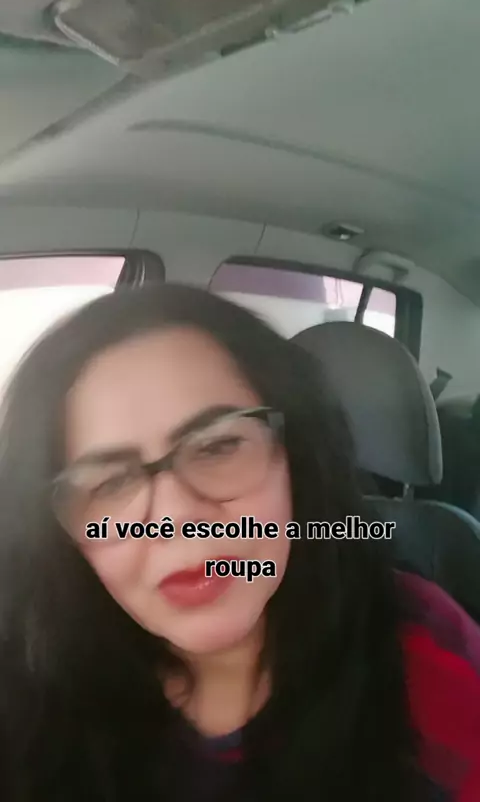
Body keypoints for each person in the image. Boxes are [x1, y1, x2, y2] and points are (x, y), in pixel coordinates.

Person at [0, 282, 478, 802]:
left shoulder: (425, 652)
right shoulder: (24, 682)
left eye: (219, 446)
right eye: (109, 483)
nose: (176, 519)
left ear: (295, 457)